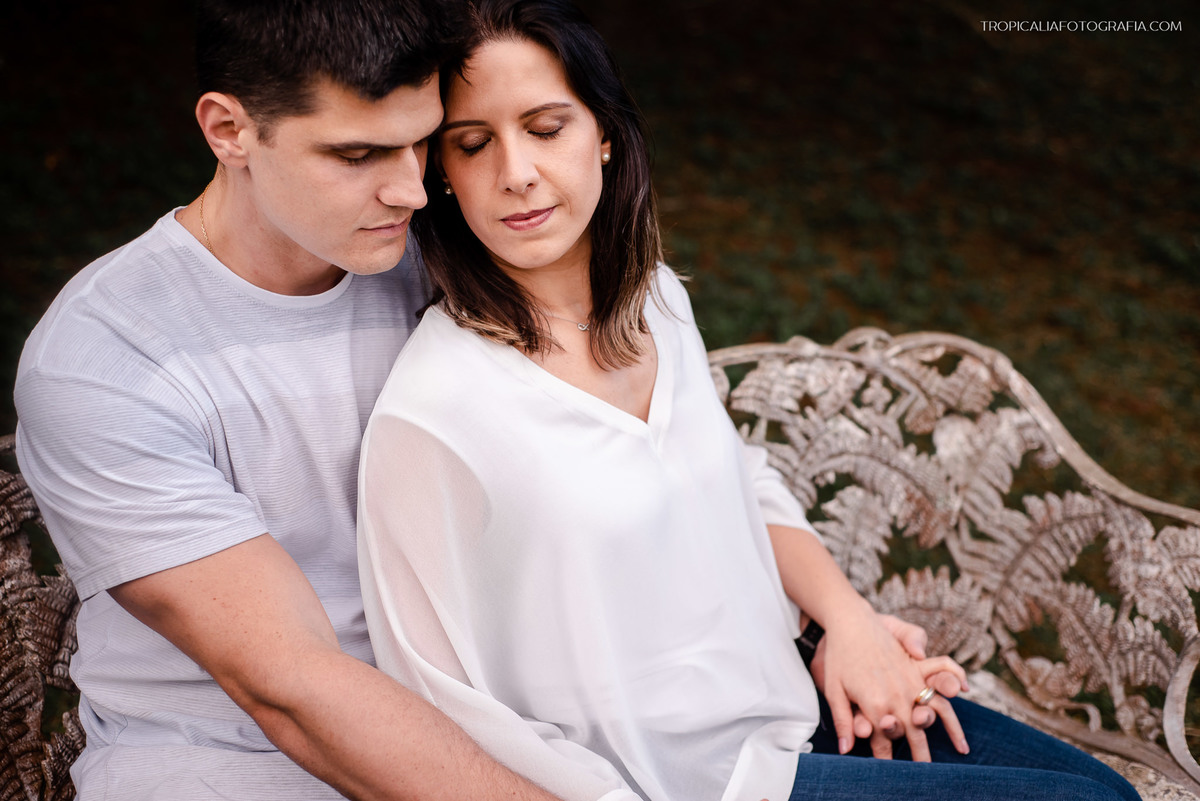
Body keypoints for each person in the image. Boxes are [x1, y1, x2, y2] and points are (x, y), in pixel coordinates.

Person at [355, 2, 1143, 800]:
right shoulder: (437, 409)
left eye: (546, 127)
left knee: (1106, 791)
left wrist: (849, 624)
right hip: (695, 782)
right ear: (441, 173)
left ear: (605, 134)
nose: (516, 171)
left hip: (792, 699)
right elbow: (436, 694)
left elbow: (739, 480)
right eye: (473, 144)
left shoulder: (655, 300)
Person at [12, 2, 567, 798]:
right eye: (357, 154)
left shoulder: (448, 261)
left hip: (501, 728)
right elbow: (291, 685)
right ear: (229, 131)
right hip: (230, 765)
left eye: (422, 141)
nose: (412, 190)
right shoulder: (106, 357)